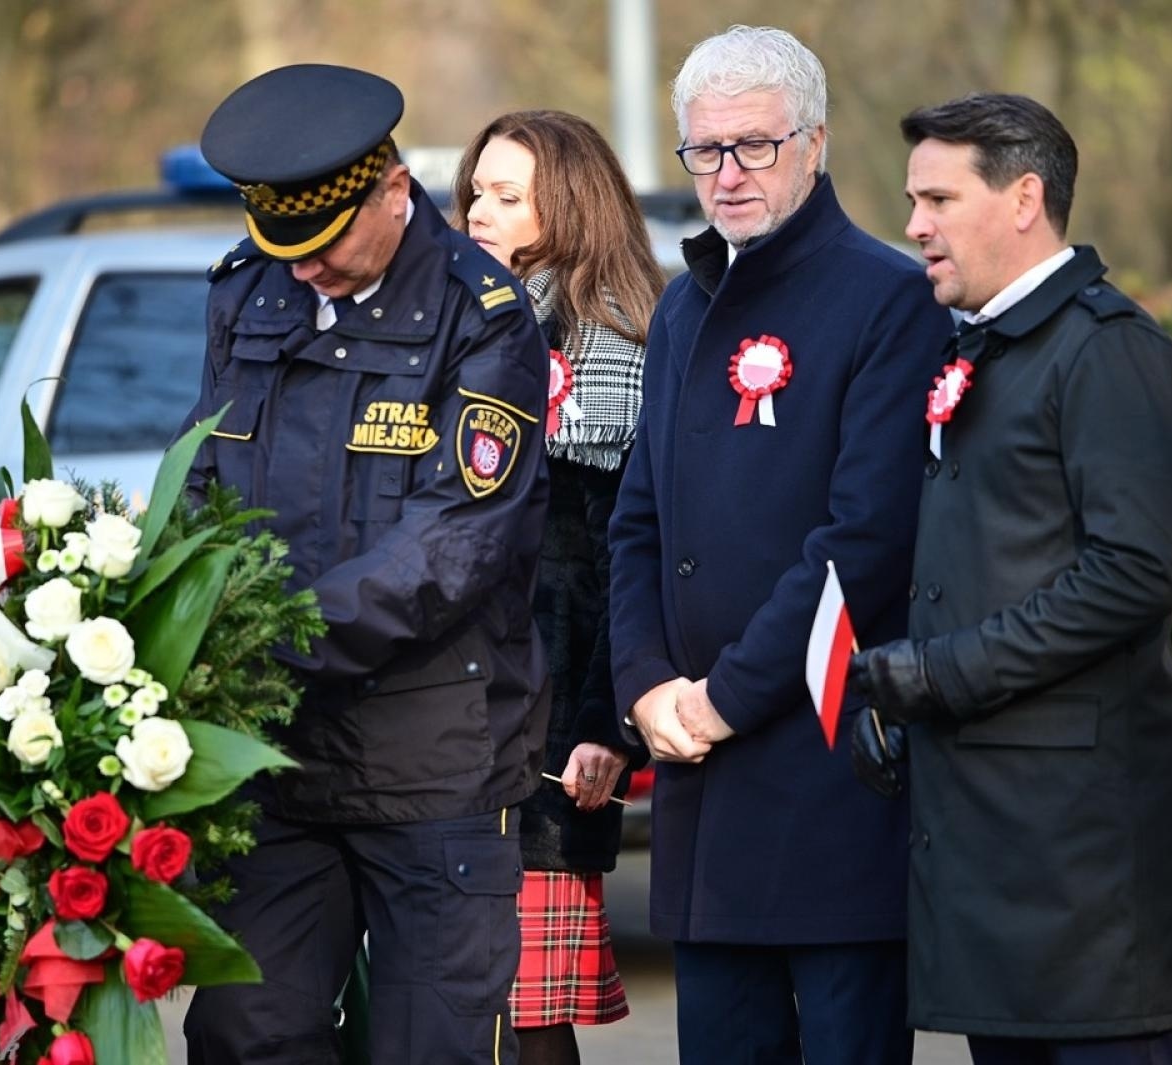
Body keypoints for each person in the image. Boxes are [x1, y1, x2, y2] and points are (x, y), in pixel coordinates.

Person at [179, 63, 552, 1065]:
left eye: (325, 243)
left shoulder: (488, 319)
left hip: (433, 766)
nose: (302, 271)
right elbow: (201, 483)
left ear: (394, 192)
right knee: (242, 1032)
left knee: (428, 1047)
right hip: (276, 765)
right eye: (280, 246)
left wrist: (258, 641)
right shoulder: (248, 293)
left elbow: (448, 550)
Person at [606, 25, 951, 1065]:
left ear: (815, 144)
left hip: (823, 779)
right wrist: (646, 685)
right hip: (699, 781)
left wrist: (722, 697)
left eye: (755, 146)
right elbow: (637, 524)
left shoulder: (887, 300)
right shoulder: (679, 307)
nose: (728, 174)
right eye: (704, 151)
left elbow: (864, 541)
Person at [848, 92, 1172, 1064]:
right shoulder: (987, 346)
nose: (913, 224)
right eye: (911, 200)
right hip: (992, 849)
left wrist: (943, 674)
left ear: (1022, 199)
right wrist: (902, 689)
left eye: (936, 198)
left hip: (1082, 869)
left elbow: (1134, 574)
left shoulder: (1104, 351)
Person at [450, 109, 663, 1065]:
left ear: (568, 205)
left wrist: (603, 723)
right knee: (447, 1001)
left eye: (507, 195)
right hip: (443, 716)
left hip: (544, 731)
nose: (478, 211)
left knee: (529, 1016)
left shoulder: (614, 341)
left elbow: (624, 558)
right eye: (474, 192)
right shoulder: (461, 319)